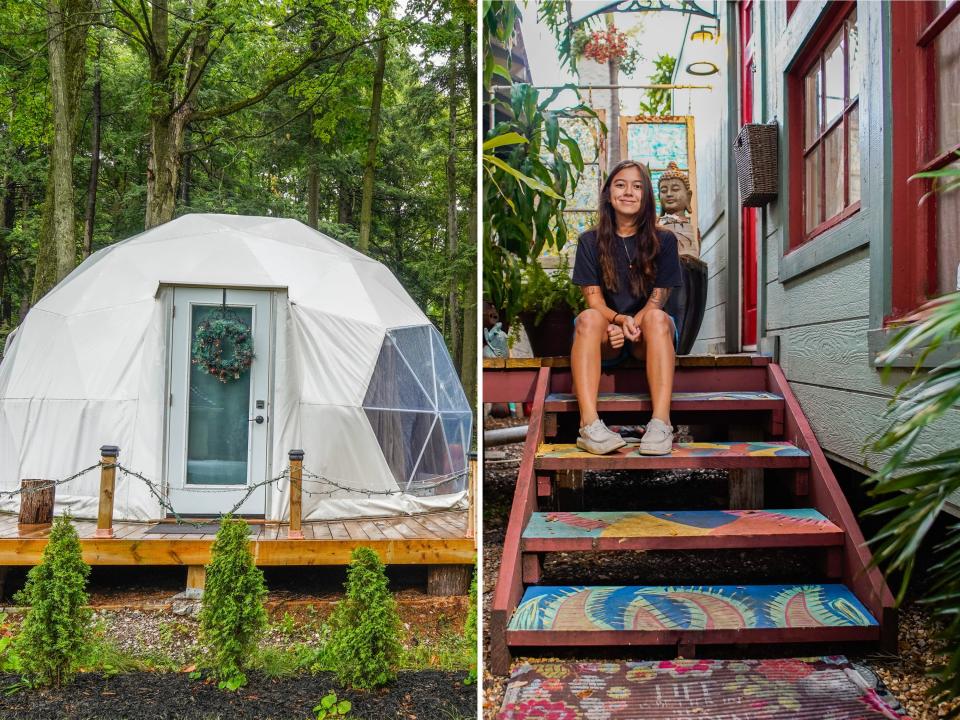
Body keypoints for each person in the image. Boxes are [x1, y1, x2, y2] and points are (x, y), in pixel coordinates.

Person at [571, 160, 682, 455]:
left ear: (646, 195)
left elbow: (658, 297)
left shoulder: (665, 241)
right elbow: (594, 300)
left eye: (637, 186)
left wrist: (635, 323)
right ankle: (589, 426)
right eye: (621, 185)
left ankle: (660, 424)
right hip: (607, 335)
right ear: (609, 193)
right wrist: (618, 322)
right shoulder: (589, 241)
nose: (629, 192)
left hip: (647, 336)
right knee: (587, 318)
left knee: (658, 318)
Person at [657, 161, 700, 258]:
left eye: (675, 189)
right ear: (659, 197)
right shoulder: (658, 228)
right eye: (663, 191)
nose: (669, 194)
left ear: (688, 196)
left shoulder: (687, 226)